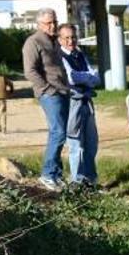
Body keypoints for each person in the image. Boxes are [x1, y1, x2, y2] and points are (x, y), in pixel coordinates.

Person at [22, 7, 70, 192]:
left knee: (59, 133)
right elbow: (30, 71)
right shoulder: (33, 42)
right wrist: (48, 89)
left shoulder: (54, 41)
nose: (53, 25)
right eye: (49, 23)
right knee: (58, 133)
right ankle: (48, 175)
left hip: (62, 92)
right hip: (50, 94)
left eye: (55, 22)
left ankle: (56, 175)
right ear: (39, 24)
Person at [58, 23, 100, 186]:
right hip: (72, 103)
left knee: (91, 142)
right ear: (60, 39)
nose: (71, 41)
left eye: (73, 37)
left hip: (86, 102)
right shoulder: (60, 56)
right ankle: (76, 181)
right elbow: (71, 78)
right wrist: (88, 77)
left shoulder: (80, 55)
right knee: (75, 144)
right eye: (67, 38)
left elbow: (96, 77)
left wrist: (86, 77)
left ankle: (90, 180)